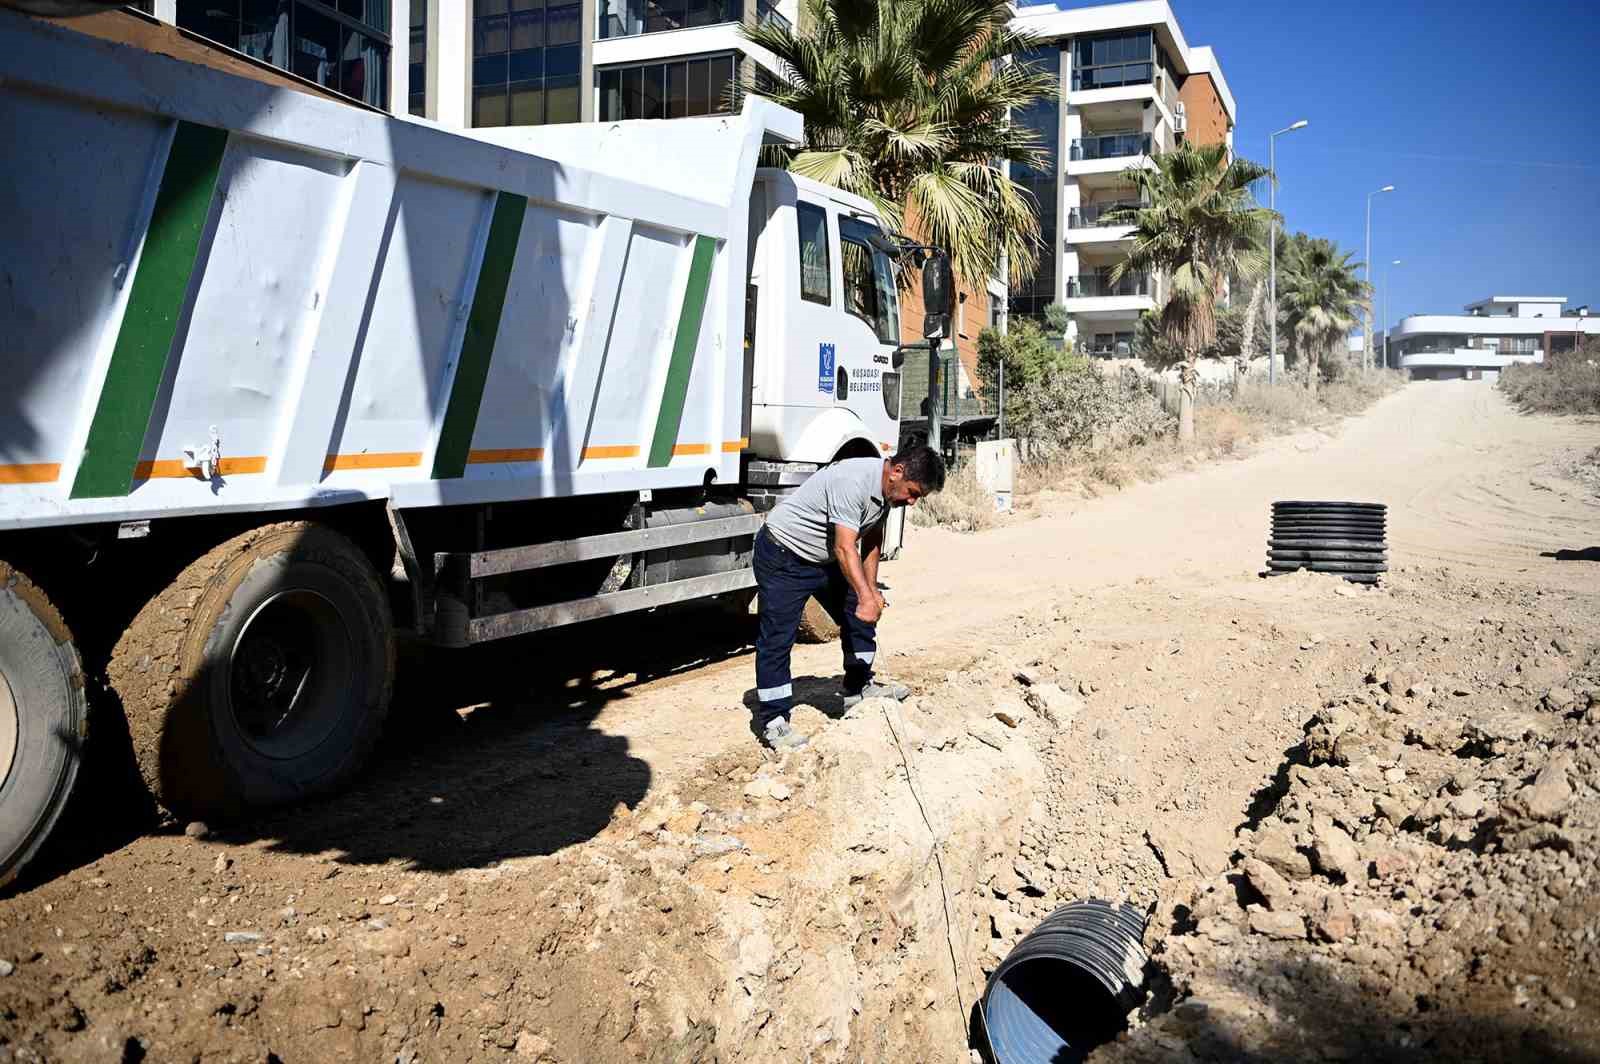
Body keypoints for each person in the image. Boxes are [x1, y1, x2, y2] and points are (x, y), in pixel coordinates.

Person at [750, 446, 947, 750]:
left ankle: (858, 688)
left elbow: (871, 539)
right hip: (784, 554)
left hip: (824, 557)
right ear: (897, 472)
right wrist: (865, 596)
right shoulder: (852, 481)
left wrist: (871, 590)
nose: (912, 501)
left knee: (859, 607)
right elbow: (845, 547)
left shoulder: (887, 492)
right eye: (913, 493)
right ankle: (774, 721)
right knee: (778, 637)